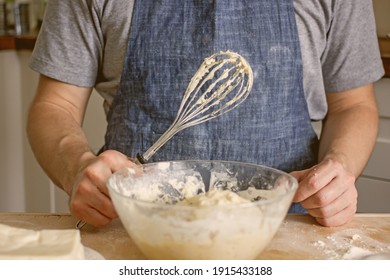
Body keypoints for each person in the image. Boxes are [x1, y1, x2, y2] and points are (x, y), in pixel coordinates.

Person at [27, 0, 384, 228]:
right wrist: (76, 167)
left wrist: (339, 170)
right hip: (133, 236)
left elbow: (352, 105)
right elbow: (54, 106)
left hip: (285, 234)